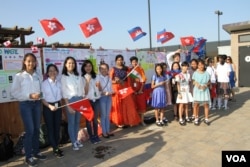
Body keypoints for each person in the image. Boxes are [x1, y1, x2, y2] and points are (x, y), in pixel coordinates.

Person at [11, 53, 47, 167]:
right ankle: (28, 156)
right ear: (24, 62)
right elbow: (14, 92)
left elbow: (41, 90)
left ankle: (36, 152)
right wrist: (29, 96)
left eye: (33, 61)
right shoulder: (19, 76)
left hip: (37, 104)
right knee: (30, 130)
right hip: (25, 105)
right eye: (28, 61)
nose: (31, 63)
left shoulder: (38, 75)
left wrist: (39, 95)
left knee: (37, 129)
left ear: (36, 62)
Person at [110, 54, 140, 127]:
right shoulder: (113, 69)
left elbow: (135, 77)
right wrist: (116, 81)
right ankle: (119, 122)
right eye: (118, 60)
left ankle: (128, 121)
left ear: (123, 61)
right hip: (117, 89)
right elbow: (109, 80)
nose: (120, 61)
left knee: (128, 105)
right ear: (116, 61)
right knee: (118, 105)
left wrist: (136, 73)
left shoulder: (127, 69)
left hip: (126, 89)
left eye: (121, 60)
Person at [61, 56, 85, 151]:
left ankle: (76, 139)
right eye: (69, 63)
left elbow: (82, 89)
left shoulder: (77, 76)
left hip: (79, 99)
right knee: (71, 122)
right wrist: (68, 106)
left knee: (77, 122)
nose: (71, 65)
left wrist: (82, 100)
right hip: (70, 100)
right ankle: (73, 142)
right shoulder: (64, 77)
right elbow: (64, 92)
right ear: (66, 65)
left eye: (73, 63)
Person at [41, 64, 64, 158]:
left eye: (54, 70)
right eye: (50, 71)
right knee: (51, 128)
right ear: (47, 73)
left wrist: (61, 110)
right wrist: (49, 106)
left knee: (57, 127)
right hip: (48, 107)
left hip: (58, 106)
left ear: (57, 72)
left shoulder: (59, 83)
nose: (52, 72)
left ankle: (56, 144)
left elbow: (60, 98)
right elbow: (42, 99)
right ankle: (55, 148)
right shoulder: (44, 84)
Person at [81, 60, 102, 144]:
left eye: (89, 66)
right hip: (88, 101)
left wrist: (99, 86)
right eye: (86, 66)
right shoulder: (82, 78)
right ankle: (91, 137)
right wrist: (87, 82)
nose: (88, 68)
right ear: (83, 68)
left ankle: (96, 135)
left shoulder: (96, 76)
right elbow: (85, 92)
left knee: (95, 120)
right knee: (88, 120)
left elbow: (100, 89)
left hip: (96, 100)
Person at [129, 56, 147, 126]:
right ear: (131, 63)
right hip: (133, 92)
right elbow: (129, 82)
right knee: (134, 107)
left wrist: (140, 90)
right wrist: (132, 91)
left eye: (136, 62)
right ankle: (135, 121)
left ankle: (142, 121)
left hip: (140, 92)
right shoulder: (130, 71)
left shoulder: (140, 69)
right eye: (133, 62)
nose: (135, 63)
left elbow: (143, 81)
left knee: (141, 107)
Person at [192, 59, 211, 125]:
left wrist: (205, 85)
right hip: (197, 89)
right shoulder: (195, 73)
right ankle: (196, 118)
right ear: (197, 66)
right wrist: (198, 85)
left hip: (205, 89)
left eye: (202, 65)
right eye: (199, 65)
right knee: (196, 104)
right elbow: (193, 81)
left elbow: (209, 81)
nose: (201, 66)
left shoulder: (206, 73)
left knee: (206, 104)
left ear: (204, 65)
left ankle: (206, 118)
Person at [98, 63, 114, 138]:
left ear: (108, 69)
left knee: (107, 115)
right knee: (103, 115)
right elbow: (98, 89)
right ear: (100, 70)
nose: (104, 70)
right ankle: (104, 132)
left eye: (105, 68)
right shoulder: (98, 78)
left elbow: (111, 88)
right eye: (102, 68)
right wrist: (104, 93)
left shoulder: (109, 78)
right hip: (102, 97)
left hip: (109, 97)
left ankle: (108, 130)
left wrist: (112, 92)